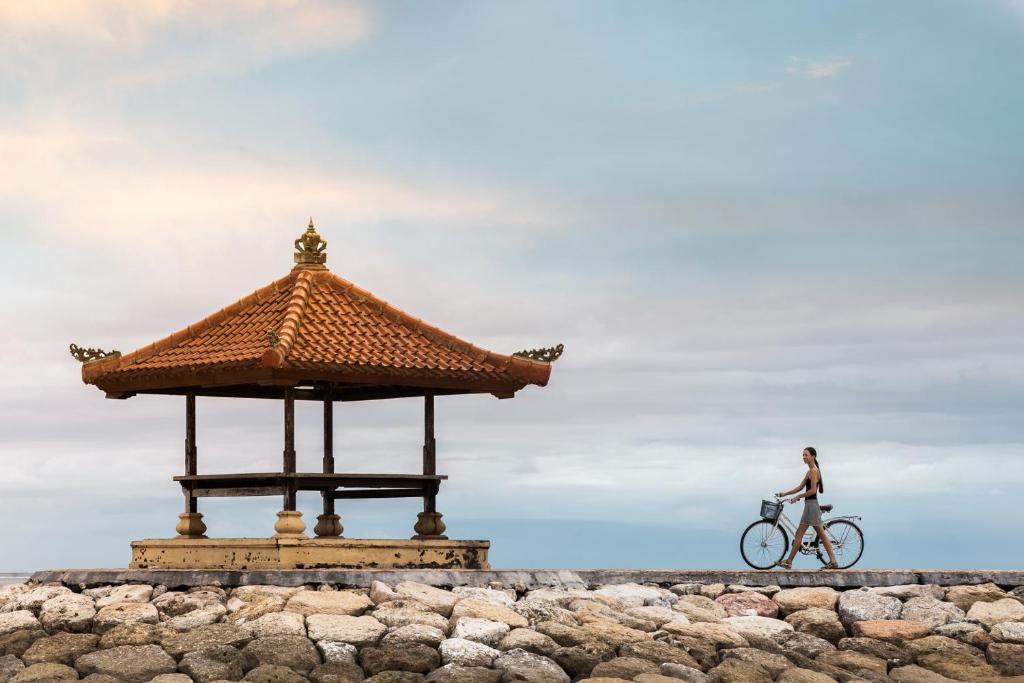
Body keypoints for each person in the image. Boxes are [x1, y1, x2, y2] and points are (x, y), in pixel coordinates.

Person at [775, 446, 838, 569]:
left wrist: (798, 496)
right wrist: (785, 494)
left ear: (813, 456)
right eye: (803, 455)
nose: (804, 457)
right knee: (802, 533)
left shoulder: (814, 471)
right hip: (809, 505)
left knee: (813, 534)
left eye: (806, 455)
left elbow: (813, 490)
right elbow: (800, 486)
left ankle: (833, 561)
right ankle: (789, 561)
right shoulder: (809, 472)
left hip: (812, 506)